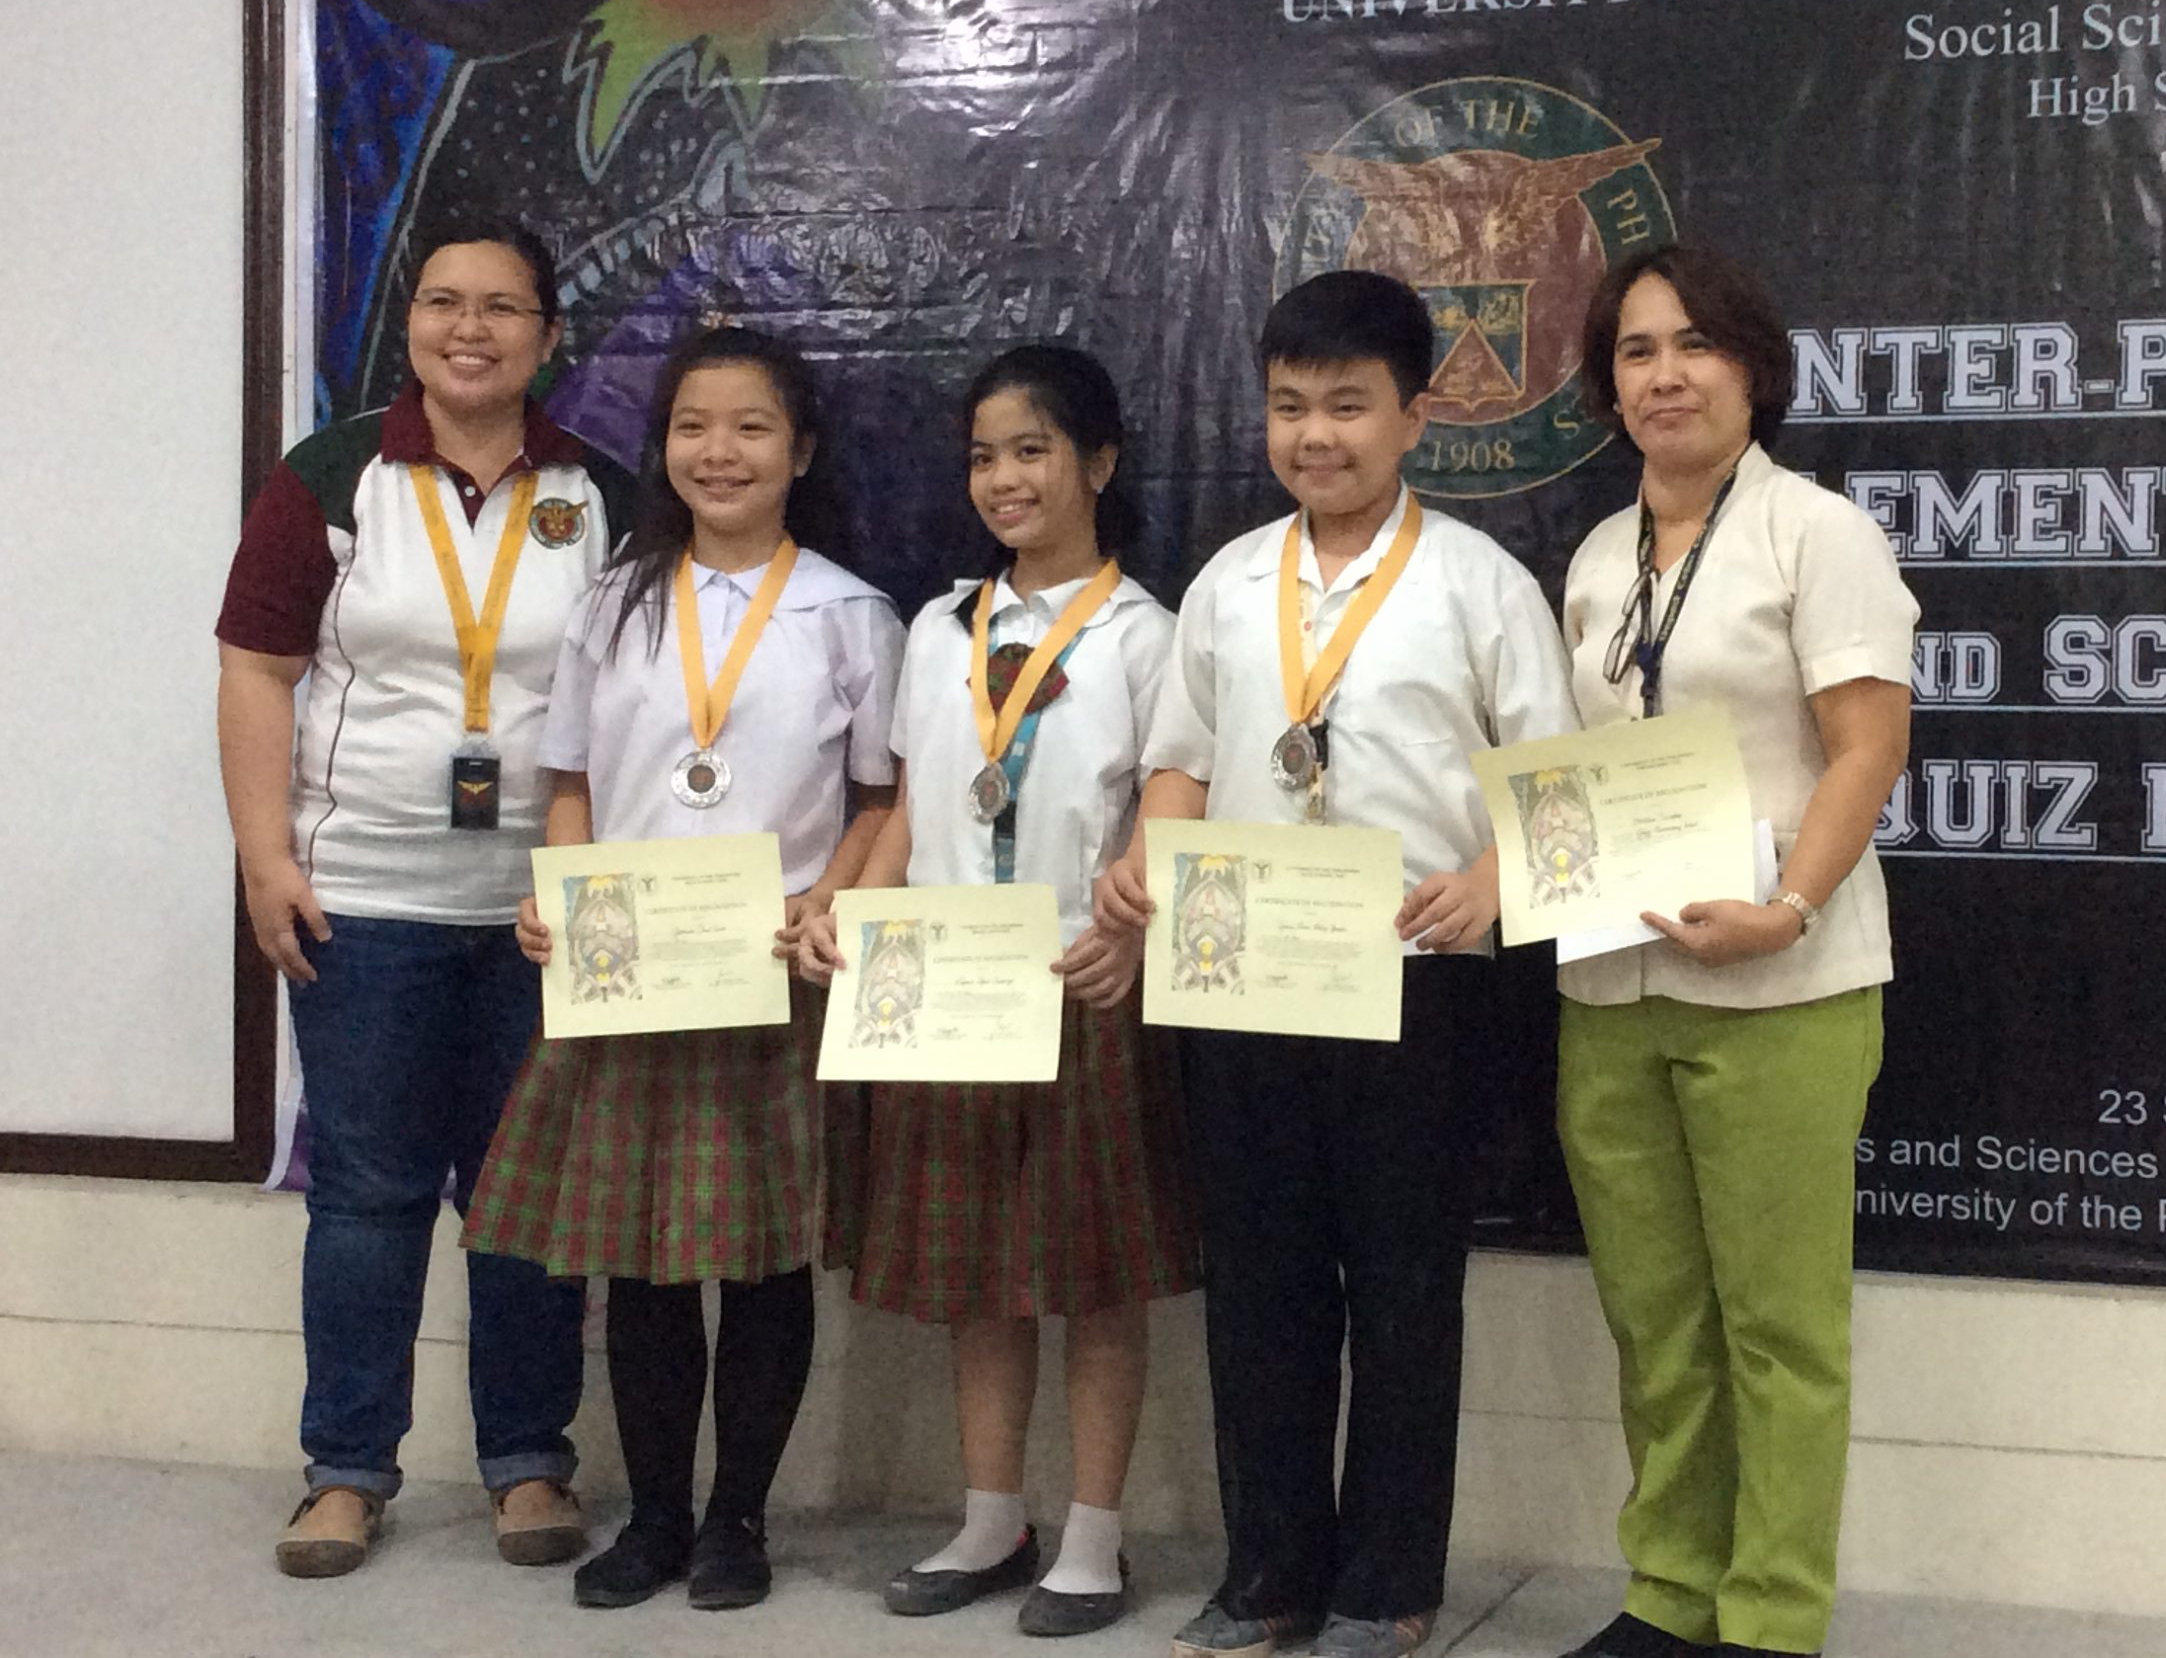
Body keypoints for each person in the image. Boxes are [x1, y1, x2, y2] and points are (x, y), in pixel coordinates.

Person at [1092, 270, 1577, 1658]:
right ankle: (1269, 1575)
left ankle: (1386, 1584)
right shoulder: (1233, 583)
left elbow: (1549, 796)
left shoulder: (1482, 584)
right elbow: (1181, 761)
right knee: (1260, 1283)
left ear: (1415, 416)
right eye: (1292, 406)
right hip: (1240, 970)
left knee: (1407, 1287)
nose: (1318, 436)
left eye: (1350, 406)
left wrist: (1491, 882)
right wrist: (1148, 859)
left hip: (1419, 977)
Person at [461, 323, 903, 1611]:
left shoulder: (846, 612)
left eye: (753, 428)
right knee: (643, 1263)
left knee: (763, 1264)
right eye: (694, 427)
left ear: (801, 451)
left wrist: (828, 902)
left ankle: (737, 1523)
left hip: (774, 980)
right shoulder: (612, 599)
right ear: (662, 447)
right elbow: (572, 785)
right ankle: (652, 1518)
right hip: (634, 985)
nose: (721, 452)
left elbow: (883, 801)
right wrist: (564, 906)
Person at [216, 217, 629, 1578]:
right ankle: (344, 1471)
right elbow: (257, 670)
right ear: (410, 328)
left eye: (503, 308)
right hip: (364, 905)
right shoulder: (331, 478)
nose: (472, 329)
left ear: (547, 336)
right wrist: (266, 859)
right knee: (369, 1200)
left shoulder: (602, 493)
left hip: (538, 916)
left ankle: (526, 1465)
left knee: (523, 1203)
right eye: (444, 303)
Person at [1552, 245, 1916, 1658]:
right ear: (1609, 386)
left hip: (1782, 981)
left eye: (1694, 345)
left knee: (1779, 1327)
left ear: (1752, 367)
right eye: (1637, 351)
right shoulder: (1594, 559)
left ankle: (1768, 1618)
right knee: (1656, 1320)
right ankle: (1670, 1592)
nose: (1665, 375)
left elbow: (1869, 744)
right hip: (1613, 982)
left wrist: (1794, 905)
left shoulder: (1816, 535)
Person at [800, 344, 1198, 1637]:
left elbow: (1166, 810)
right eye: (984, 454)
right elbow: (915, 808)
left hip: (1084, 985)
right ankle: (989, 1516)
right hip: (951, 993)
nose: (1006, 477)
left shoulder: (1148, 632)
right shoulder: (939, 626)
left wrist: (1132, 926)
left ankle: (1094, 1533)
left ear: (1098, 461)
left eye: (1034, 449)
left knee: (1093, 1277)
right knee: (975, 1272)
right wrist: (856, 909)